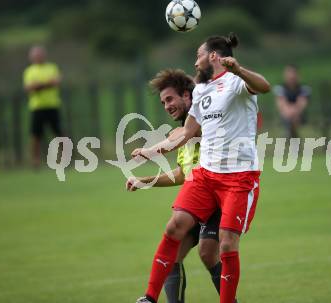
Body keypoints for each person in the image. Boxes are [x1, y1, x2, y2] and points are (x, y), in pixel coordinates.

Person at [132, 32, 270, 303]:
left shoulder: (236, 82)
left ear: (213, 56)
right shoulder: (202, 90)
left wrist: (239, 70)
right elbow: (186, 132)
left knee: (226, 244)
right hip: (205, 176)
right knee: (175, 226)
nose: (195, 63)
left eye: (198, 56)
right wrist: (152, 151)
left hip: (238, 178)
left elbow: (264, 86)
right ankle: (149, 298)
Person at [125, 69, 237, 303]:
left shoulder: (203, 122)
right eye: (163, 101)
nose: (167, 106)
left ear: (187, 96)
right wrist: (144, 181)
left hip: (217, 197)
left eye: (170, 99)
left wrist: (150, 151)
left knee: (207, 252)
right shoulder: (183, 129)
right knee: (172, 254)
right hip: (196, 198)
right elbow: (181, 174)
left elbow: (184, 136)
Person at [23, 45, 62, 168]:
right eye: (36, 55)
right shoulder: (29, 71)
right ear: (32, 57)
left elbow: (56, 82)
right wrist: (47, 84)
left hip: (52, 105)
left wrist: (39, 85)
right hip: (37, 107)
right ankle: (35, 160)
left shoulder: (52, 67)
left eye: (40, 55)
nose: (38, 57)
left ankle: (65, 158)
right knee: (35, 135)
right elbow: (29, 88)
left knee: (59, 133)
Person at [274, 65, 311, 138]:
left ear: (298, 76)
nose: (291, 77)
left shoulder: (304, 89)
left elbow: (301, 104)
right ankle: (292, 134)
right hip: (285, 115)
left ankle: (290, 133)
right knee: (287, 115)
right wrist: (289, 112)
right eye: (289, 74)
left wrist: (293, 112)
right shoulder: (279, 89)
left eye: (293, 74)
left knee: (294, 118)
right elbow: (281, 104)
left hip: (300, 115)